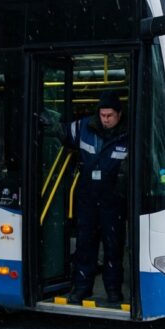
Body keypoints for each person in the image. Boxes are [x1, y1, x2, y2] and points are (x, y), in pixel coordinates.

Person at [65, 91, 129, 304]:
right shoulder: (84, 127)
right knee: (85, 245)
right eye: (102, 115)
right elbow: (62, 132)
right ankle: (82, 288)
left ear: (119, 114)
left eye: (109, 115)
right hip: (88, 199)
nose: (105, 119)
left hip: (114, 201)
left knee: (113, 248)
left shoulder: (128, 134)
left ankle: (113, 291)